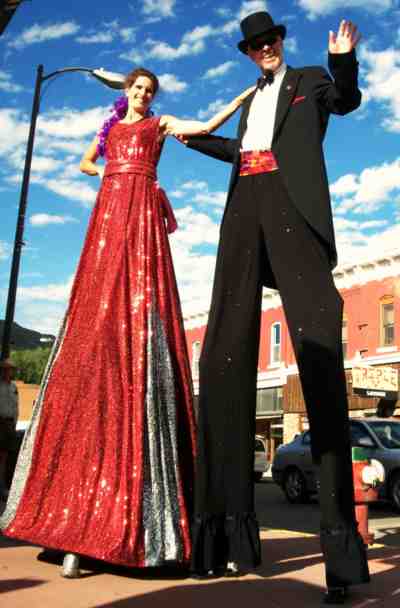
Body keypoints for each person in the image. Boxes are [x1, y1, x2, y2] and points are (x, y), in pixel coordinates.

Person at [0, 67, 254, 578]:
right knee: (99, 293)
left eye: (149, 91)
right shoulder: (112, 128)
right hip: (112, 208)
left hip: (139, 208)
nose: (142, 95)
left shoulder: (160, 126)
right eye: (137, 89)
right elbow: (83, 164)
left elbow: (203, 126)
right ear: (126, 92)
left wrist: (243, 96)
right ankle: (72, 532)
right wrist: (113, 173)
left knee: (141, 291)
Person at [184, 11, 369, 603]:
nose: (264, 49)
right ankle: (223, 541)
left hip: (293, 209)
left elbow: (344, 100)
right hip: (244, 209)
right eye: (254, 45)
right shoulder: (248, 101)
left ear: (281, 42)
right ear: (247, 52)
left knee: (318, 352)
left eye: (270, 41)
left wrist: (342, 59)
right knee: (220, 359)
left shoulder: (310, 78)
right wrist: (191, 138)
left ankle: (341, 560)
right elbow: (243, 151)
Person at [0, 359, 19, 501]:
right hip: (0, 422)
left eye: (10, 369)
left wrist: (15, 423)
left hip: (10, 424)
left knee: (6, 457)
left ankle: (3, 488)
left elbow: (16, 406)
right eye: (6, 369)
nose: (8, 372)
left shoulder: (13, 387)